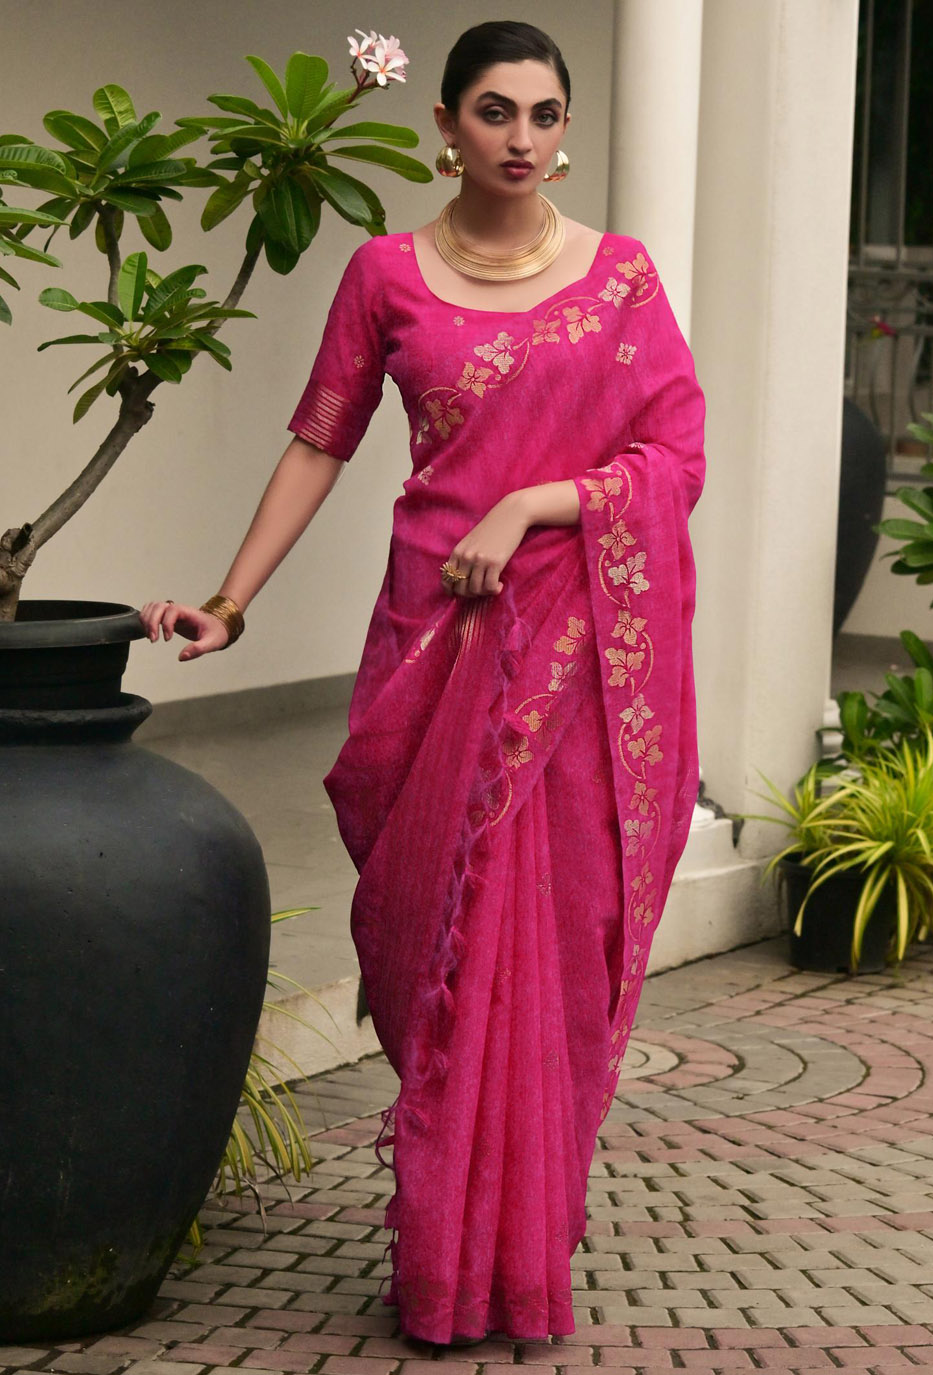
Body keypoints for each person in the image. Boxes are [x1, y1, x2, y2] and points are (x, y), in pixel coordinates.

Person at [141, 19, 705, 1348]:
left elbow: (674, 456)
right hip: (433, 645)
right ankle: (453, 1253)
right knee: (422, 948)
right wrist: (232, 599)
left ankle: (506, 1264)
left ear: (565, 129)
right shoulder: (384, 272)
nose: (523, 137)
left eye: (546, 114)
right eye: (496, 111)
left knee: (544, 952)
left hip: (567, 661)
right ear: (445, 124)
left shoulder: (621, 279)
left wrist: (532, 504)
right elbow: (319, 441)